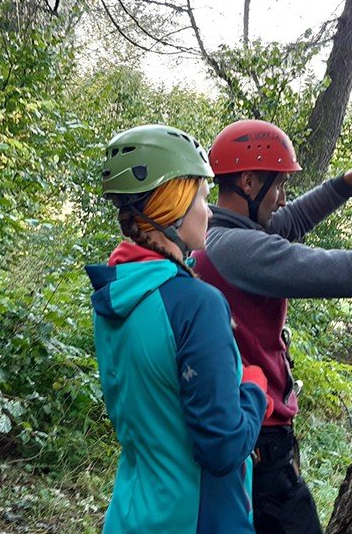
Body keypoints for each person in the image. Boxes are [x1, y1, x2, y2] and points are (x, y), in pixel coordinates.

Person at [192, 119, 352, 534]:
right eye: (277, 186)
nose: (281, 199)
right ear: (248, 181)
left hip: (246, 427)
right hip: (260, 438)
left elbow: (288, 221)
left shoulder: (218, 231)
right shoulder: (238, 248)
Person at [86, 124, 272, 533]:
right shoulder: (196, 305)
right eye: (203, 197)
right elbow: (222, 449)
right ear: (175, 203)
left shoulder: (115, 291)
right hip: (198, 519)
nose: (208, 210)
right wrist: (256, 389)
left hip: (133, 512)